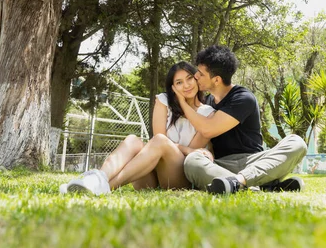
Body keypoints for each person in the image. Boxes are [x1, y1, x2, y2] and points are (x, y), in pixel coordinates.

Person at [59, 61, 215, 195]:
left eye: (189, 79)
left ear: (197, 79)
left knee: (160, 141)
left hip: (179, 177)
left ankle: (103, 186)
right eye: (179, 82)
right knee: (133, 140)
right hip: (150, 176)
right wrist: (179, 102)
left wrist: (182, 104)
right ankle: (97, 179)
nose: (186, 85)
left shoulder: (208, 114)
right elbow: (159, 138)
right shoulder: (163, 101)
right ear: (172, 87)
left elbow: (191, 155)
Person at [173, 45, 308, 194]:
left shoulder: (243, 98)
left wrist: (182, 103)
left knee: (297, 143)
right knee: (192, 162)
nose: (196, 76)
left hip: (254, 162)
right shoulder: (208, 103)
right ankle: (263, 186)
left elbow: (208, 129)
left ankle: (240, 183)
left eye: (201, 74)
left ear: (217, 80)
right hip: (222, 165)